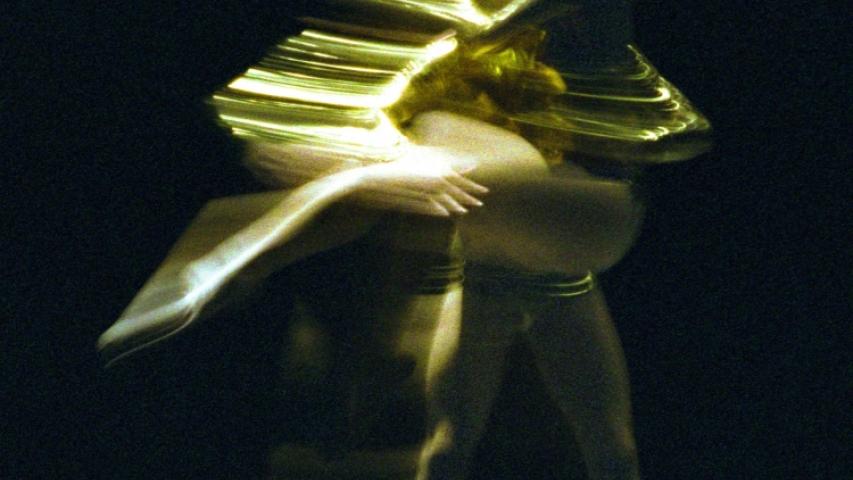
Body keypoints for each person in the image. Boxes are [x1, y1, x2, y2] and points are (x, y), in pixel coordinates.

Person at [98, 1, 711, 478]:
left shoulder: (522, 62)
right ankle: (225, 262)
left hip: (559, 255)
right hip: (506, 252)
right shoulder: (452, 116)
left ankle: (227, 260)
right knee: (452, 444)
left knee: (608, 448)